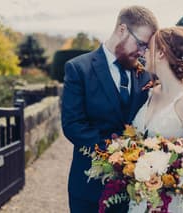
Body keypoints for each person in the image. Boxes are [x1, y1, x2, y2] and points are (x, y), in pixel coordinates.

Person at [61, 6, 158, 213]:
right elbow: (73, 125)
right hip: (89, 187)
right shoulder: (79, 68)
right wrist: (118, 155)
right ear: (122, 29)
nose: (142, 52)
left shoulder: (146, 75)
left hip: (135, 192)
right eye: (141, 44)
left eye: (146, 48)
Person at [130, 26, 183, 212]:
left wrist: (166, 175)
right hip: (144, 195)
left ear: (161, 53)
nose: (143, 52)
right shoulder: (150, 92)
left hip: (174, 200)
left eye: (148, 48)